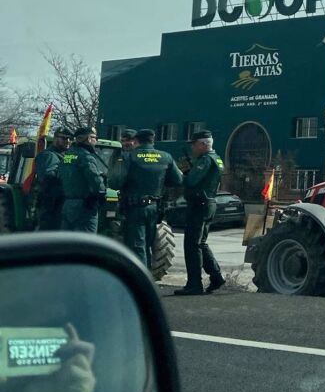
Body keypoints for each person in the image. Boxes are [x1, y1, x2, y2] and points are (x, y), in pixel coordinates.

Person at [109, 129, 183, 269]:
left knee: (137, 247)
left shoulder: (129, 157)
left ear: (136, 141)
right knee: (147, 246)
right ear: (152, 140)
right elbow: (177, 180)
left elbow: (115, 183)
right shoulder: (165, 157)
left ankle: (140, 279)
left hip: (134, 208)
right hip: (155, 208)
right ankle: (148, 274)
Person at [174, 130, 227, 296]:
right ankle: (216, 276)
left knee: (192, 245)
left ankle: (194, 284)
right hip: (209, 203)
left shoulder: (205, 160)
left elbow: (191, 181)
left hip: (199, 204)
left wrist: (181, 172)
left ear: (204, 144)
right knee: (201, 243)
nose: (193, 148)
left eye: (194, 144)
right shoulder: (216, 158)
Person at [58, 127, 107, 233]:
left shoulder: (67, 156)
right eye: (95, 138)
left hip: (67, 204)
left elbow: (60, 176)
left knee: (67, 239)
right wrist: (102, 194)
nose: (96, 140)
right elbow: (95, 181)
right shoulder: (86, 157)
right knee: (86, 240)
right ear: (88, 139)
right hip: (84, 207)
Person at [32, 127, 73, 230]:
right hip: (52, 203)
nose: (68, 141)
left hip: (61, 203)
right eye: (64, 138)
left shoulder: (65, 156)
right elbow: (48, 177)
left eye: (70, 139)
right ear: (55, 138)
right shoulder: (49, 155)